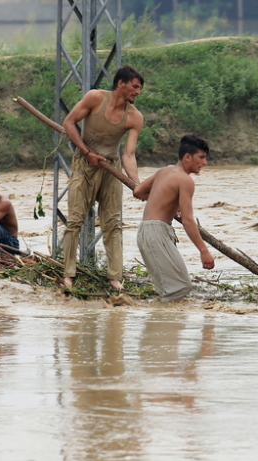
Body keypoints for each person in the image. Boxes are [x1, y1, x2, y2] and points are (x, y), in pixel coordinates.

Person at [61, 65, 145, 291]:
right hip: (84, 164)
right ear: (121, 84)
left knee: (112, 224)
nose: (138, 92)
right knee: (75, 220)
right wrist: (87, 152)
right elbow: (69, 123)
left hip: (110, 168)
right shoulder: (95, 98)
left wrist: (135, 184)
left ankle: (114, 278)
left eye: (139, 89)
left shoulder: (135, 117)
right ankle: (69, 274)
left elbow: (128, 154)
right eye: (135, 87)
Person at [132, 135, 215, 303]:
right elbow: (188, 220)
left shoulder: (165, 171)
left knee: (171, 289)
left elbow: (138, 192)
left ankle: (161, 323)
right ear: (187, 157)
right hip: (156, 232)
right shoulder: (185, 180)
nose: (204, 163)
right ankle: (160, 320)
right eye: (201, 157)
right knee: (180, 288)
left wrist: (167, 201)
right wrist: (204, 251)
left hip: (146, 231)